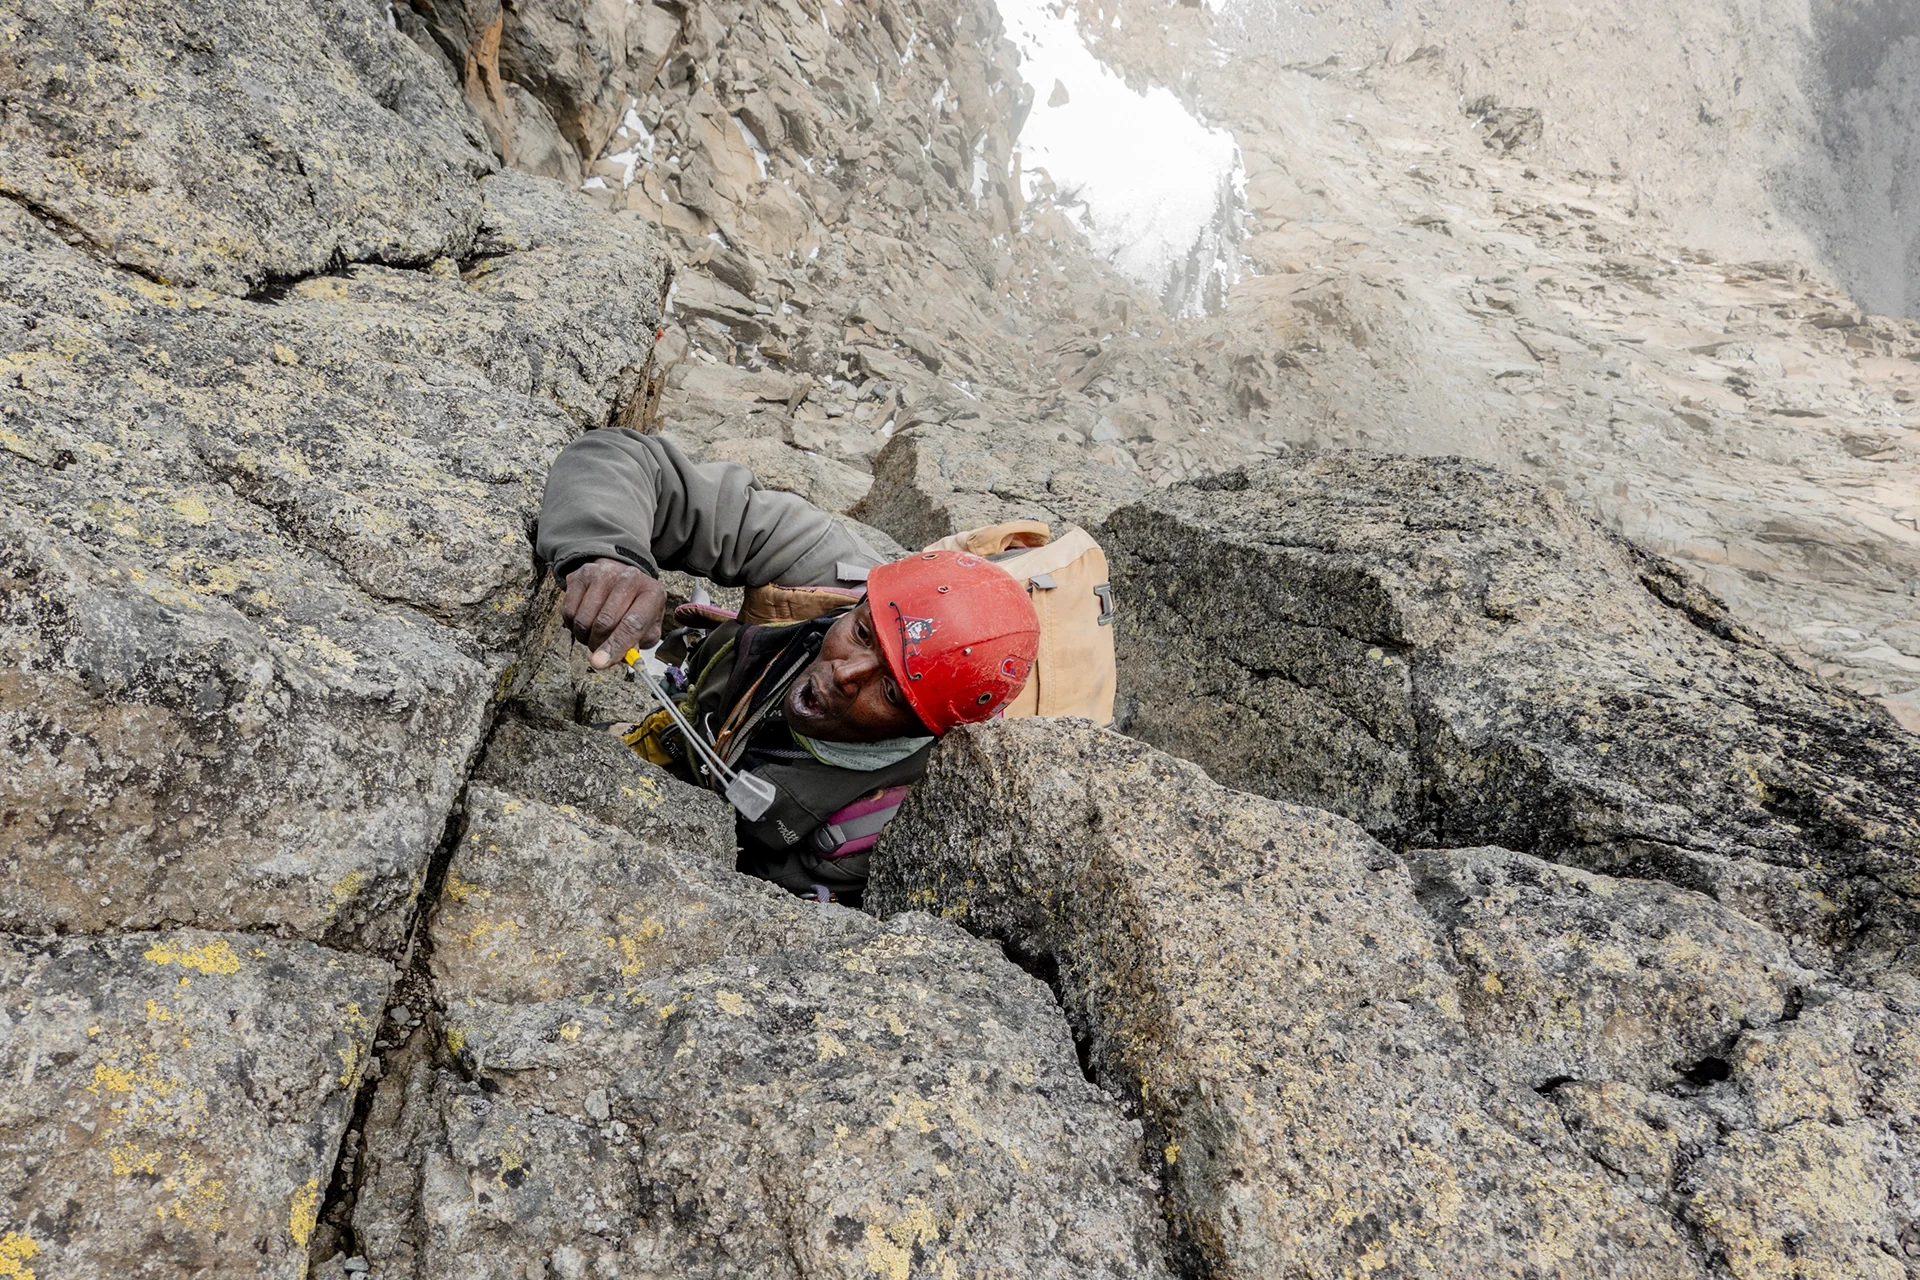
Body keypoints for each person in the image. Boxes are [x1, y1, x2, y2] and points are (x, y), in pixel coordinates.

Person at [536, 428, 1039, 901]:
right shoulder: (827, 574)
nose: (846, 673)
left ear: (926, 730)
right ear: (861, 602)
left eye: (891, 693)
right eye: (862, 634)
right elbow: (626, 457)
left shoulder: (897, 823)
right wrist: (611, 555)